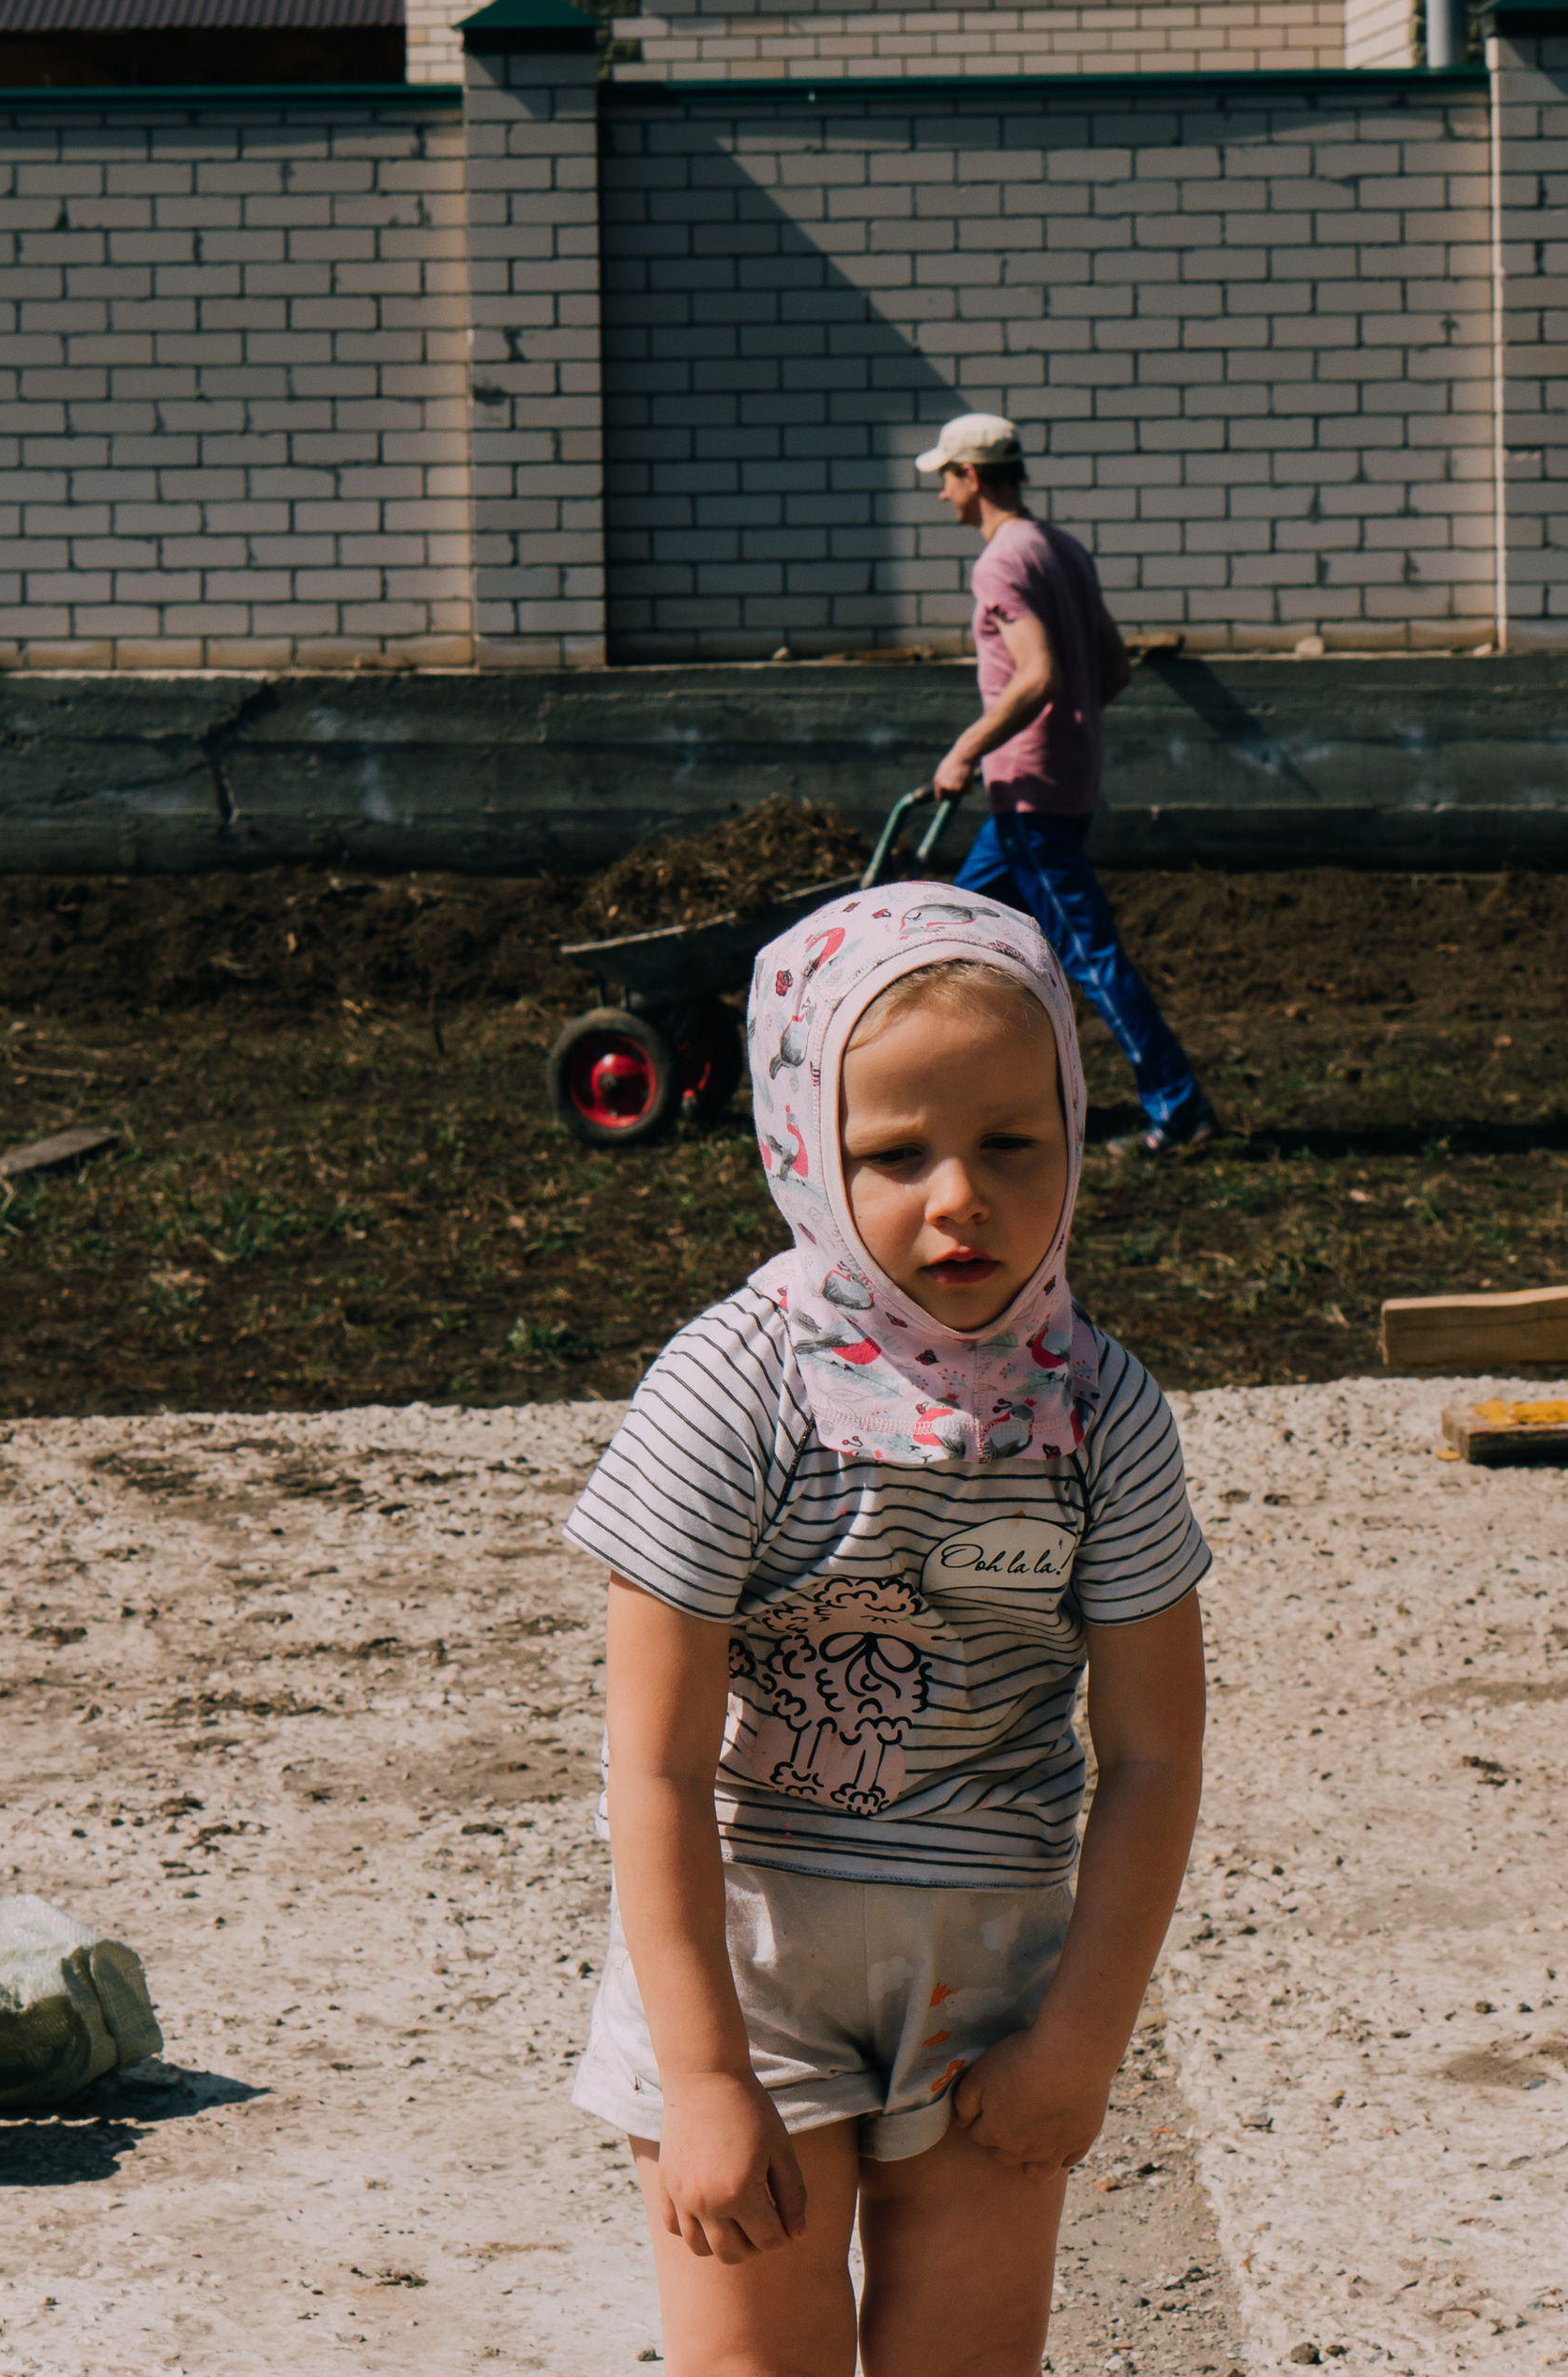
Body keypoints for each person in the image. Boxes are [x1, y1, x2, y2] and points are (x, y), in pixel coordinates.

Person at [564, 883, 1210, 2377]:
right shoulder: (733, 1391)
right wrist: (704, 2080)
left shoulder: (1103, 1411)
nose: (959, 1196)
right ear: (806, 1148)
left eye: (1011, 1142)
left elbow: (1155, 1757)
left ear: (1075, 1132)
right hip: (751, 1969)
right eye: (896, 1153)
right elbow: (652, 1765)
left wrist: (1080, 2044)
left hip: (991, 1978)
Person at [917, 410, 1216, 1158]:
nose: (942, 494)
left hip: (1030, 794)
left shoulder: (1000, 562)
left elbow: (1040, 673)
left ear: (972, 475)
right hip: (1058, 784)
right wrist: (1066, 733)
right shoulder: (1062, 548)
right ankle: (957, 1087)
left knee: (1088, 954)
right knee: (952, 934)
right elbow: (1111, 670)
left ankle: (1180, 1108)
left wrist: (965, 750)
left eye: (946, 478)